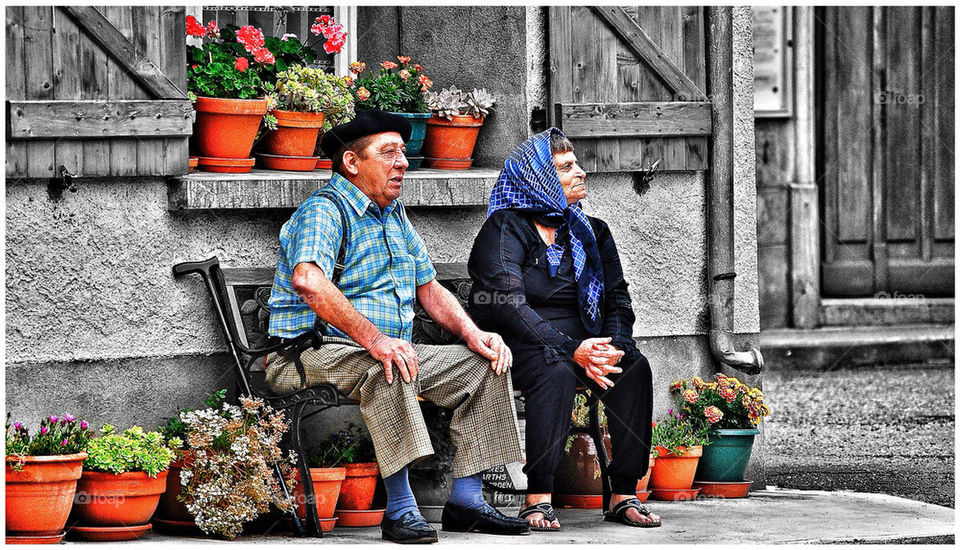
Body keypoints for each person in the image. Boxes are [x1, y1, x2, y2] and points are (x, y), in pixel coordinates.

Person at [265, 110, 529, 543]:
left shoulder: (393, 213)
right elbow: (308, 281)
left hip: (382, 349)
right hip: (307, 353)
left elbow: (429, 287)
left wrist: (473, 334)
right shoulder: (324, 211)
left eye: (403, 153)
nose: (402, 162)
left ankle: (467, 501)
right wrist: (376, 340)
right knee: (387, 367)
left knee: (484, 365)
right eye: (388, 153)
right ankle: (401, 509)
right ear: (352, 162)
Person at [466, 128, 660, 531]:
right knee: (553, 372)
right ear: (539, 178)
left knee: (633, 367)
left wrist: (613, 346)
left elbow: (618, 299)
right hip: (522, 345)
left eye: (577, 164)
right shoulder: (505, 228)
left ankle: (623, 493)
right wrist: (571, 349)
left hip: (585, 345)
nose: (581, 172)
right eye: (567, 167)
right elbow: (508, 306)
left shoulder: (592, 231)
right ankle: (538, 497)